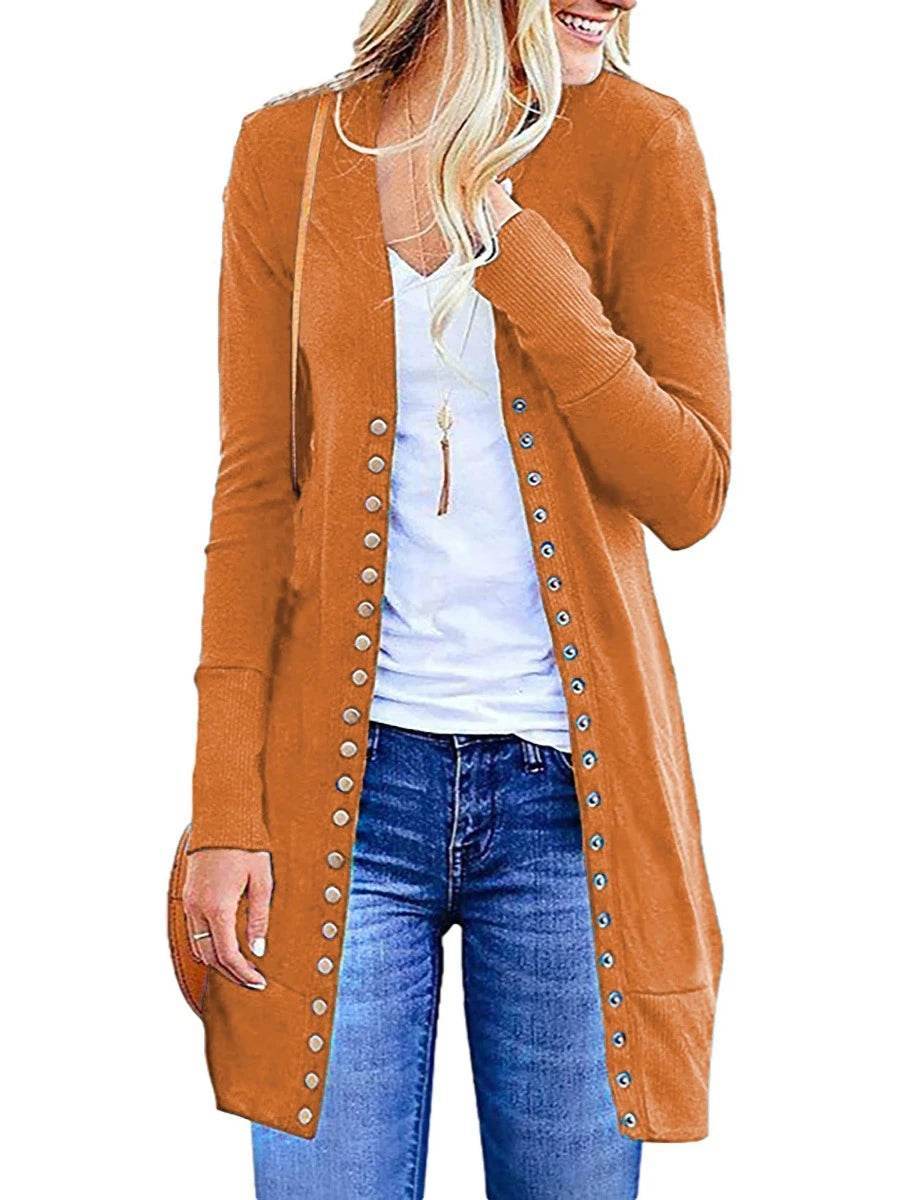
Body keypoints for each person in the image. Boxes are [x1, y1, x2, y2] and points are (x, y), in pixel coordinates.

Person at [182, 2, 730, 1197]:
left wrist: (522, 261)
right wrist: (224, 803)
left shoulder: (644, 143)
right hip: (343, 802)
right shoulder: (290, 153)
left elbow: (691, 490)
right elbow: (254, 496)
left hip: (569, 808)